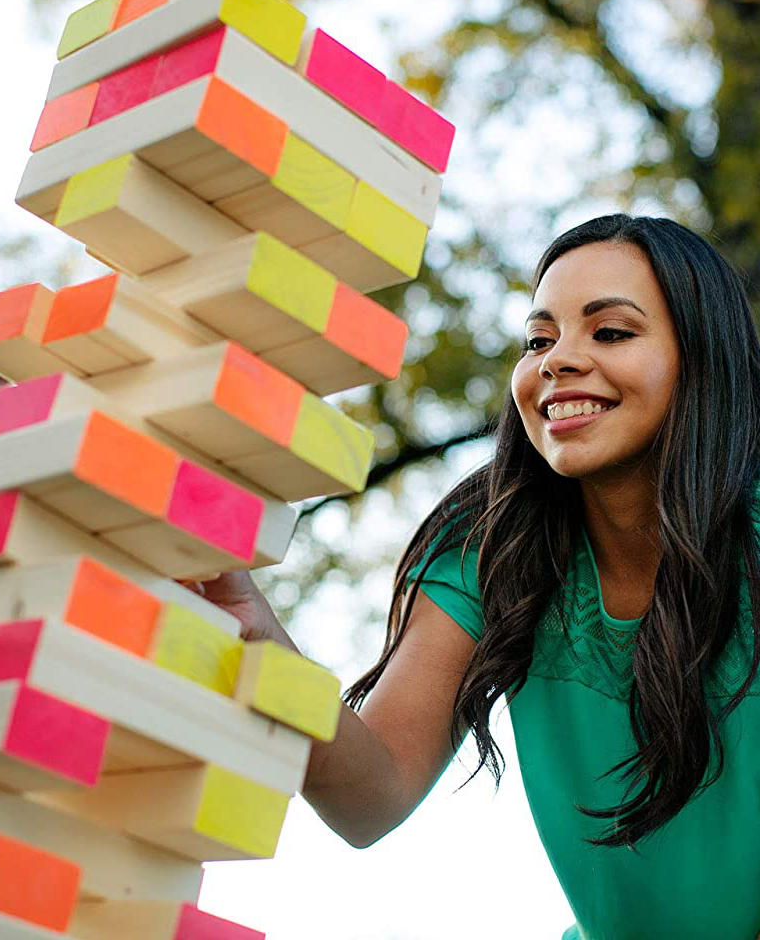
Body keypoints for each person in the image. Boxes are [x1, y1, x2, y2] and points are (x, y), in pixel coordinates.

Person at [190, 215, 760, 940]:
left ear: (705, 360)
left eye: (610, 332)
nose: (558, 360)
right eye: (539, 339)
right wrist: (258, 642)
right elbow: (373, 795)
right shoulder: (494, 548)